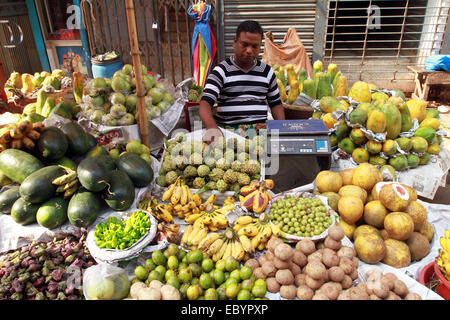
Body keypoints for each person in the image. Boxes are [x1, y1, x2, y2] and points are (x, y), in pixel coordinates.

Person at [199, 20, 285, 145]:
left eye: (254, 46)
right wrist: (213, 128)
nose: (249, 50)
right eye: (244, 44)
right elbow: (205, 105)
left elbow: (276, 104)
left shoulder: (267, 72)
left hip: (260, 135)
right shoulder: (221, 71)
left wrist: (281, 130)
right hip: (229, 134)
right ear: (235, 42)